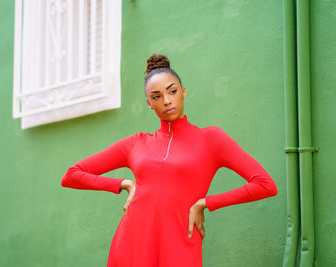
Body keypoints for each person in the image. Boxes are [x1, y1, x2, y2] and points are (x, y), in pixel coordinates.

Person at [61, 54, 278, 267]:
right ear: (149, 104)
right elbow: (72, 175)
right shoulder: (136, 143)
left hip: (181, 242)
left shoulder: (211, 139)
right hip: (132, 241)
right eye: (156, 97)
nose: (166, 101)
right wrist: (122, 184)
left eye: (172, 92)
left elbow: (265, 185)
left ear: (183, 92)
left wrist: (205, 203)